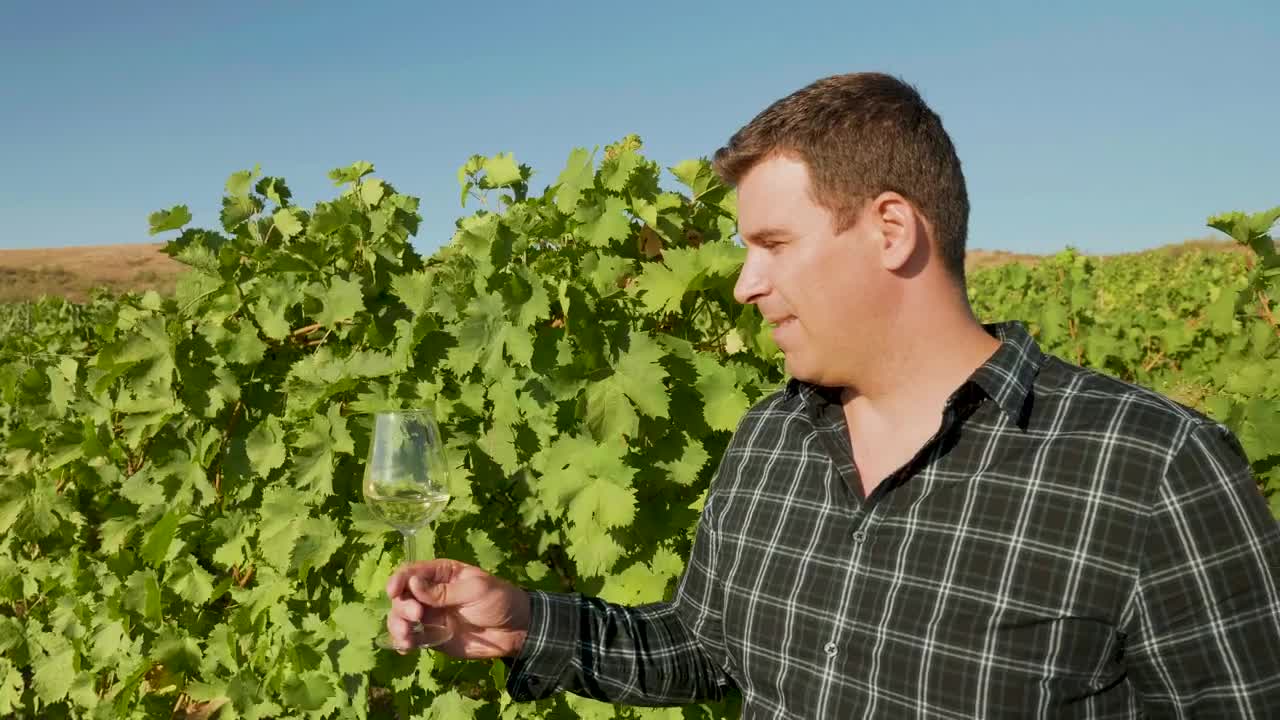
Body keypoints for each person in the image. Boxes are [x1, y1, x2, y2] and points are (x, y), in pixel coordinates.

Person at [385, 72, 1280, 717]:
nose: (744, 282)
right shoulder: (772, 437)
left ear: (890, 229)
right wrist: (527, 623)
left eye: (772, 242)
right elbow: (702, 646)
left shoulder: (1153, 468)